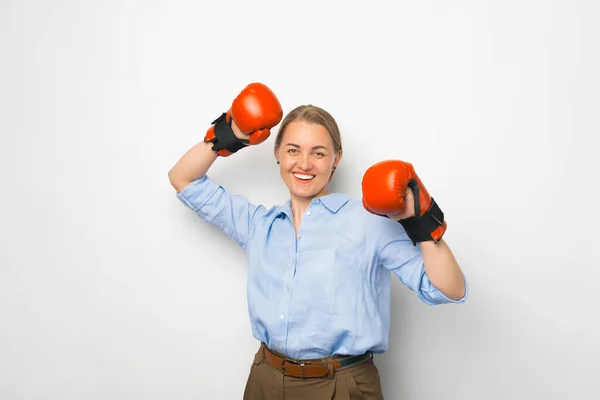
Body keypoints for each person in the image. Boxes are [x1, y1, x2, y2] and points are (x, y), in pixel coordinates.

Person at [168, 83, 468, 399]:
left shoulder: (369, 222)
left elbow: (448, 289)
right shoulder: (260, 225)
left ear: (336, 159)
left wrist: (423, 220)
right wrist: (229, 132)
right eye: (293, 150)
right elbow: (183, 179)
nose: (305, 164)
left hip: (342, 384)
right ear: (277, 153)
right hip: (265, 379)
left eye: (319, 153)